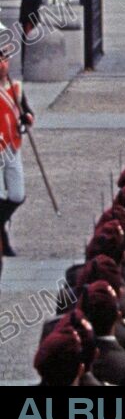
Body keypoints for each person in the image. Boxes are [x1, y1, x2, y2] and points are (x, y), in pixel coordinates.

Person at [0, 43, 34, 258]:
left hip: (13, 146)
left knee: (17, 194)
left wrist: (27, 118)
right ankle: (3, 239)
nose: (2, 65)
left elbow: (27, 114)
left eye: (4, 60)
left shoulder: (16, 88)